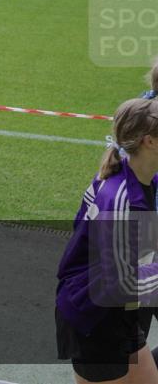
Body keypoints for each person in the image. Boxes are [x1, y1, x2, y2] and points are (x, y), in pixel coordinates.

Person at [55, 97, 158, 384]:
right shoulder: (121, 199)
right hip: (94, 320)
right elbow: (120, 284)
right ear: (150, 141)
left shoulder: (139, 179)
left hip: (117, 312)